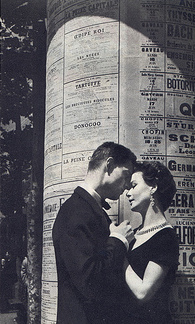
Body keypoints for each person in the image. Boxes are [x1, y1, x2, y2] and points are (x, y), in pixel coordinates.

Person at [52, 142, 137, 324]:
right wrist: (118, 239)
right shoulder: (76, 211)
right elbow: (89, 279)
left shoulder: (87, 209)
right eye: (126, 175)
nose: (128, 185)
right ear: (109, 165)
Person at [122, 161, 179, 324]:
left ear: (153, 187)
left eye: (133, 185)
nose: (128, 192)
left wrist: (120, 253)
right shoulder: (135, 233)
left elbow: (143, 292)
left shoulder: (166, 237)